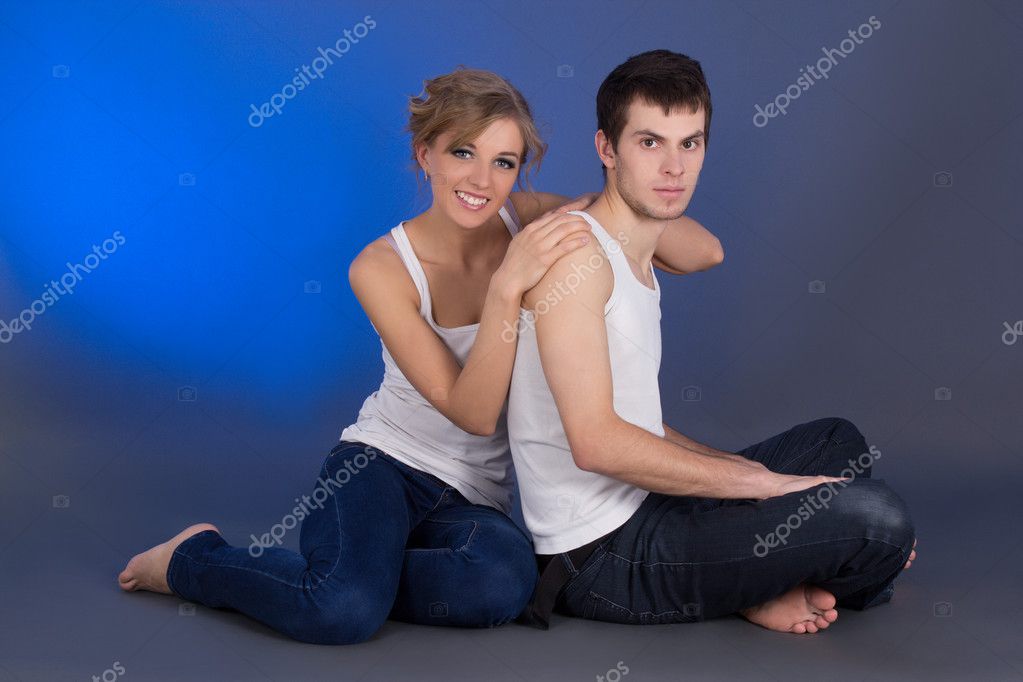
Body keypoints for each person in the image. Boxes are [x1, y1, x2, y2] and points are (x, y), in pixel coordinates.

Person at [117, 67, 724, 644]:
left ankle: (356, 568)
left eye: (504, 162)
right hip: (380, 467)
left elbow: (705, 252)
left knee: (505, 583)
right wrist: (508, 285)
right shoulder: (380, 267)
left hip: (475, 496)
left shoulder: (531, 220)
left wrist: (623, 208)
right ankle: (194, 559)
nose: (481, 180)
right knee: (342, 611)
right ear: (425, 153)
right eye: (462, 152)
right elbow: (474, 413)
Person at [507, 49, 918, 635]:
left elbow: (642, 420)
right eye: (650, 142)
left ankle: (759, 580)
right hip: (601, 557)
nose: (673, 167)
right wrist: (767, 484)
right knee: (879, 519)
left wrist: (738, 470)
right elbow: (597, 444)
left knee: (837, 442)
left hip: (650, 500)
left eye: (690, 143)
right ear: (606, 148)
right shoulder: (579, 262)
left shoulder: (635, 248)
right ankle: (772, 580)